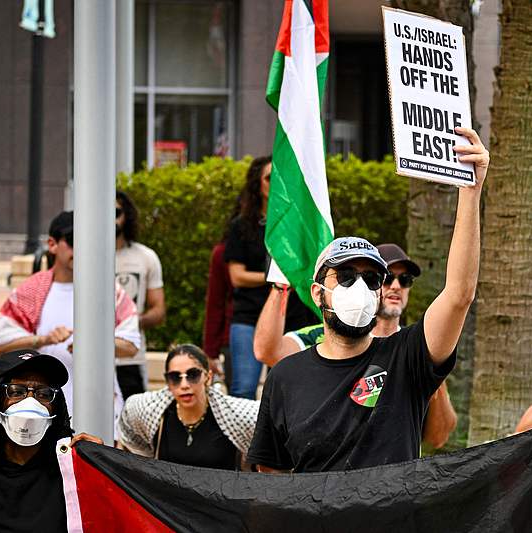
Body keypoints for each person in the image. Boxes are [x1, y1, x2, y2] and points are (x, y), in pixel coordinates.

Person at [247, 126, 488, 473]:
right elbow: (271, 475)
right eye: (345, 277)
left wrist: (471, 190)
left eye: (372, 278)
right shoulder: (286, 376)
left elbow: (459, 294)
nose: (359, 287)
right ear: (318, 292)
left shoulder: (405, 358)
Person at [253, 243, 458, 449]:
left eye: (405, 280)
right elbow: (267, 351)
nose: (396, 286)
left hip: (393, 477)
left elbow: (438, 438)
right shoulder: (323, 337)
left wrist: (432, 378)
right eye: (386, 279)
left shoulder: (416, 348)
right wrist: (280, 285)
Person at [0, 211, 141, 425]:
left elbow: (131, 345)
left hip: (100, 409)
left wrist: (91, 342)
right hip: (41, 409)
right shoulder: (30, 290)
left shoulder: (110, 291)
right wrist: (43, 340)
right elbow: (1, 344)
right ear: (52, 244)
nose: (81, 248)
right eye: (73, 241)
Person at [0, 349, 102, 532]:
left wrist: (101, 470)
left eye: (44, 394)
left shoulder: (73, 470)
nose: (31, 403)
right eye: (16, 391)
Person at [224, 156, 313, 399]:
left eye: (281, 176)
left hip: (292, 318)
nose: (276, 182)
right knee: (243, 389)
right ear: (257, 185)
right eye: (268, 177)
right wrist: (276, 280)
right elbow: (237, 276)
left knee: (286, 391)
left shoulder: (299, 224)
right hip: (249, 317)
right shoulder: (242, 225)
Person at [118, 344, 258, 469]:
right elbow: (130, 439)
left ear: (207, 377)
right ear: (167, 381)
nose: (184, 385)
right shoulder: (150, 412)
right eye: (175, 377)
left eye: (193, 375)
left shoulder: (236, 416)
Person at [115, 191, 167, 398]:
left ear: (126, 215)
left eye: (116, 212)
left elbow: (158, 309)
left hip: (130, 358)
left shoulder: (145, 257)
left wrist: (132, 322)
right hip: (86, 357)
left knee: (132, 420)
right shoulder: (81, 257)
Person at [203, 241, 234, 388]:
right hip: (234, 334)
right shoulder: (224, 253)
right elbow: (215, 303)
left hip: (285, 332)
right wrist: (210, 352)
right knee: (240, 392)